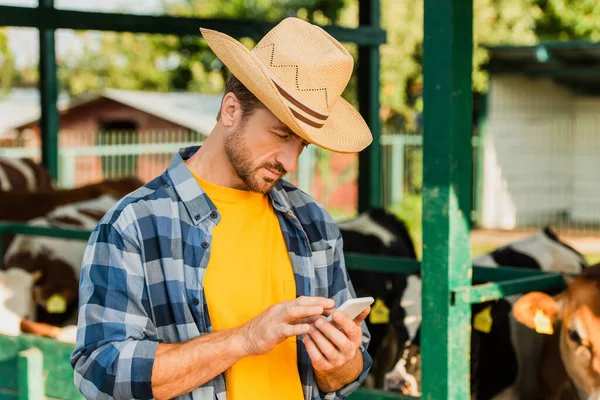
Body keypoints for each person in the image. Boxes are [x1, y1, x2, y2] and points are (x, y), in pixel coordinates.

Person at [71, 17, 374, 400]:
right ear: (231, 110)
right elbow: (101, 372)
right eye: (280, 135)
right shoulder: (134, 224)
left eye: (302, 144)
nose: (290, 161)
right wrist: (244, 339)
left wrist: (339, 363)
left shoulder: (312, 221)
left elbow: (348, 373)